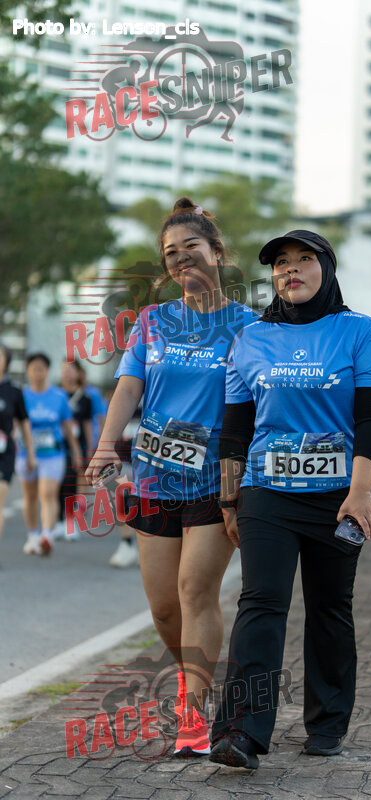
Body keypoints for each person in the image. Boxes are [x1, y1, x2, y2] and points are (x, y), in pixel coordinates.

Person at [209, 230, 371, 769]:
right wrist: (229, 501)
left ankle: (327, 724)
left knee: (330, 606)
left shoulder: (359, 331)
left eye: (304, 259)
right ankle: (240, 732)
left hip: (339, 496)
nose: (291, 269)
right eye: (281, 263)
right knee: (260, 602)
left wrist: (360, 492)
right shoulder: (251, 339)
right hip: (266, 492)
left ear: (326, 268)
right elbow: (235, 428)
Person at [85, 197, 256, 756]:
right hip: (155, 477)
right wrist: (107, 445)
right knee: (163, 608)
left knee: (194, 591)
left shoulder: (250, 327)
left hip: (215, 481)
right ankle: (191, 679)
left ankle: (194, 715)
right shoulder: (152, 321)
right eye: (171, 253)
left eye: (192, 247)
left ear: (217, 252)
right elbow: (129, 387)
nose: (182, 259)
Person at [17, 353, 82, 556]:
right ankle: (32, 535)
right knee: (30, 496)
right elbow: (14, 425)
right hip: (26, 454)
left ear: (47, 371)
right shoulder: (21, 396)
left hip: (53, 453)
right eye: (33, 369)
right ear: (28, 371)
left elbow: (67, 426)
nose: (37, 373)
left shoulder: (59, 396)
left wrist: (76, 451)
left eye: (41, 369)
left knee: (48, 493)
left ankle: (47, 535)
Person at [0, 342, 36, 543]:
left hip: (4, 455)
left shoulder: (13, 391)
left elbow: (24, 424)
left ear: (6, 361)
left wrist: (30, 454)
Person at [55, 359, 93, 540]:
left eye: (70, 369)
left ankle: (70, 522)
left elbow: (87, 424)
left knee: (71, 482)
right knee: (56, 483)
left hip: (77, 446)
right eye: (64, 369)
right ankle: (57, 521)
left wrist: (90, 448)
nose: (67, 373)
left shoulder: (84, 398)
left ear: (78, 373)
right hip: (57, 445)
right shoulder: (55, 394)